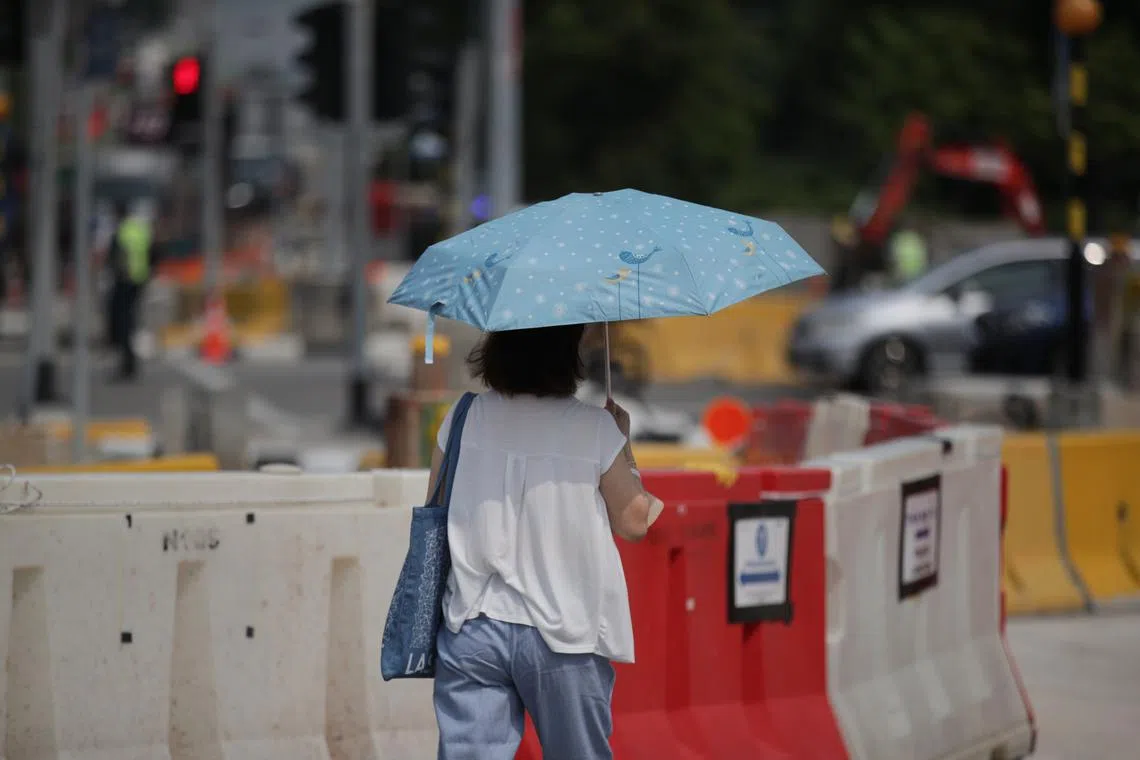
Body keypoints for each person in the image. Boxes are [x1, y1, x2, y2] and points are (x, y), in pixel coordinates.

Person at [429, 324, 662, 759]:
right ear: (566, 354)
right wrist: (623, 444)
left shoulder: (463, 416)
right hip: (565, 633)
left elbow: (435, 507)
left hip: (473, 623)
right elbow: (634, 521)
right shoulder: (594, 428)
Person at [105, 201, 156, 381]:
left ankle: (127, 363)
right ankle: (130, 362)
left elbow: (116, 257)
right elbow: (153, 252)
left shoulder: (122, 232)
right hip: (139, 280)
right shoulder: (140, 229)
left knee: (123, 322)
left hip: (125, 281)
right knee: (131, 320)